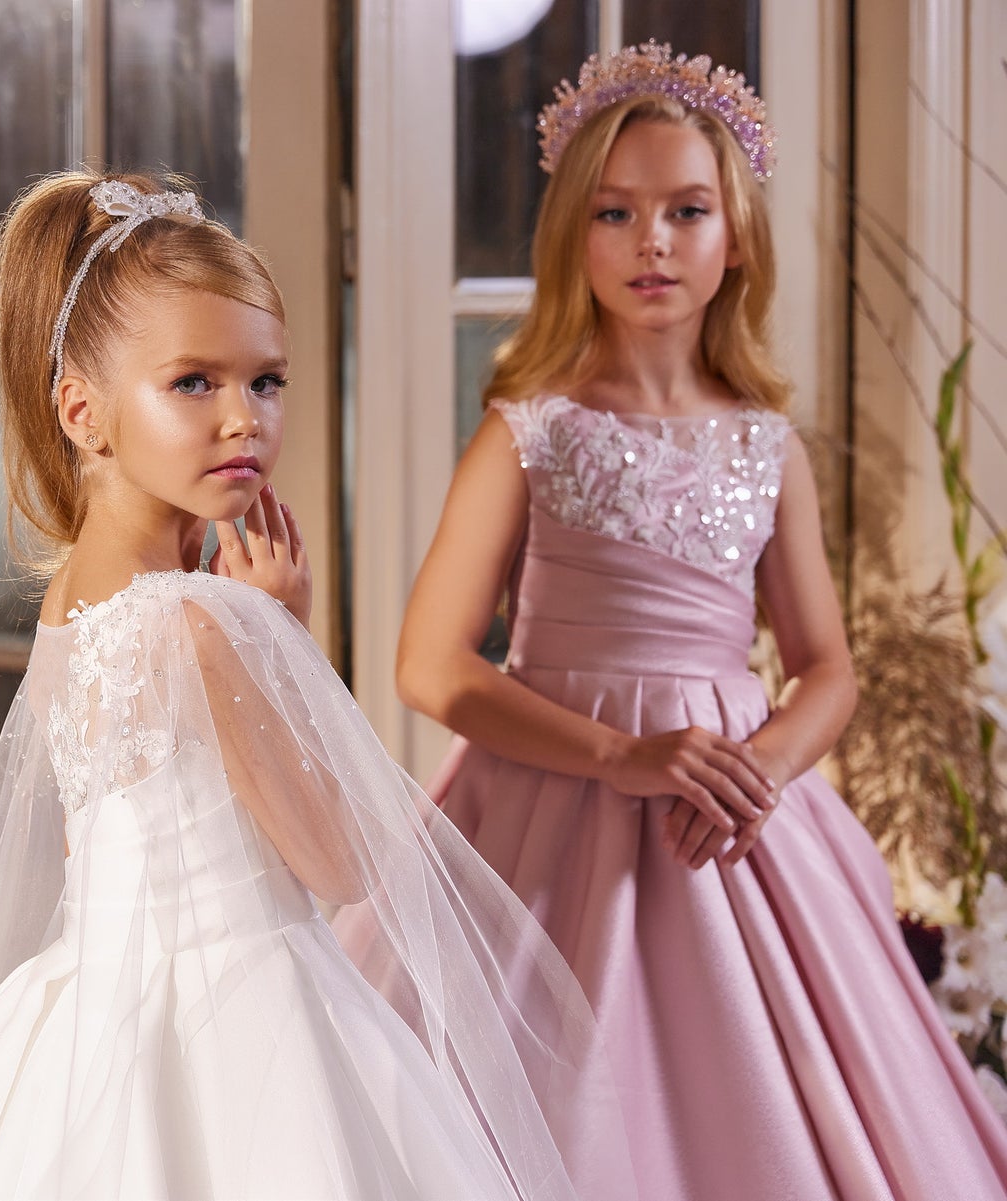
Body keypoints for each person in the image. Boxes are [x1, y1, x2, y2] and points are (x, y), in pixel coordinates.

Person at [0, 170, 632, 1199]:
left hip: (95, 1002)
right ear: (82, 411)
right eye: (193, 383)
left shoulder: (71, 604)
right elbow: (337, 862)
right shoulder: (202, 621)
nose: (243, 420)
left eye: (266, 382)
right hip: (240, 1014)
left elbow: (100, 841)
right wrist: (280, 635)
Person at [335, 41, 1007, 1199]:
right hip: (549, 804)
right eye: (616, 212)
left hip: (733, 808)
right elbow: (430, 665)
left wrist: (763, 769)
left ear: (734, 236)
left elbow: (827, 668)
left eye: (686, 211)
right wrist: (620, 755)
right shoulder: (528, 431)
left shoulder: (767, 446)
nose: (652, 240)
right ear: (574, 237)